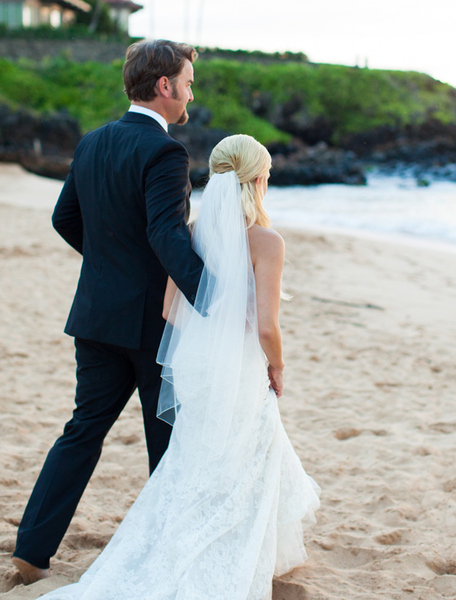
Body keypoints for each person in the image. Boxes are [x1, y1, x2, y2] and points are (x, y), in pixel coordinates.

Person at [27, 134, 320, 600]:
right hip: (237, 367)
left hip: (196, 367)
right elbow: (267, 327)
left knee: (190, 457)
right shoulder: (267, 241)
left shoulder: (193, 234)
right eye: (267, 174)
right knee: (240, 458)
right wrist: (278, 365)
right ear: (258, 180)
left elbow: (169, 309)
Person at [12, 39, 204, 585]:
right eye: (188, 81)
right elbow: (166, 235)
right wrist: (213, 300)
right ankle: (165, 557)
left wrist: (107, 267)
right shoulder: (166, 153)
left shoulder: (93, 142)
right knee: (165, 440)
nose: (192, 91)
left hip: (96, 317)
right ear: (164, 87)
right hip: (152, 326)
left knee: (82, 432)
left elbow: (63, 217)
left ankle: (30, 553)